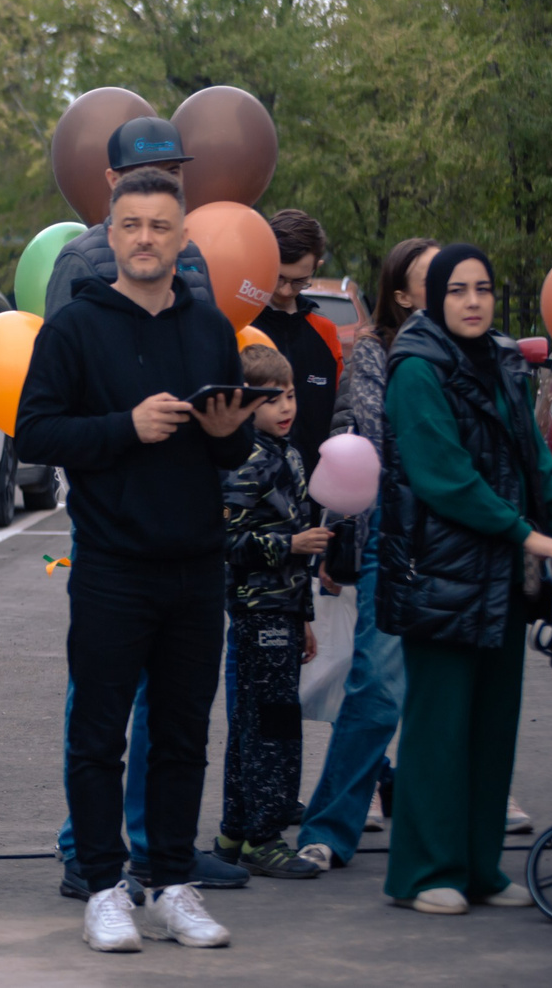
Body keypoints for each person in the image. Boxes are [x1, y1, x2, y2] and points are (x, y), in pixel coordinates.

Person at [14, 167, 254, 953]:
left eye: (160, 225)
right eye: (132, 224)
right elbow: (39, 433)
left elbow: (238, 448)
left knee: (186, 732)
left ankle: (173, 882)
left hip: (197, 561)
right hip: (113, 562)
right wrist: (126, 425)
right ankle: (102, 884)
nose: (146, 238)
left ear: (182, 237)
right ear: (110, 234)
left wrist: (226, 434)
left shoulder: (210, 327)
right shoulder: (76, 327)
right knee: (99, 733)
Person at [375, 243, 552, 914]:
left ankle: (481, 866)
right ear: (433, 297)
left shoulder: (504, 360)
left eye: (483, 287)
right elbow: (443, 475)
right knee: (439, 726)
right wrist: (527, 534)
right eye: (458, 289)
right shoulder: (417, 368)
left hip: (505, 580)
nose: (473, 301)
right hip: (442, 573)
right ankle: (425, 870)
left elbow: (535, 460)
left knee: (492, 723)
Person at [296, 236, 437, 871]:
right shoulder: (377, 354)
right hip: (397, 536)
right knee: (376, 686)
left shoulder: (484, 358)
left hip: (469, 544)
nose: (456, 290)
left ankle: (454, 829)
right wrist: (341, 537)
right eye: (437, 280)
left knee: (453, 689)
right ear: (401, 293)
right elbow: (353, 440)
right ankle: (328, 829)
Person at [214, 343, 327, 880]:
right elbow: (229, 542)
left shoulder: (292, 454)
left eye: (291, 395)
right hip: (257, 616)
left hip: (285, 612)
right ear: (246, 405)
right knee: (268, 726)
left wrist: (303, 615)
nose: (286, 407)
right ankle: (263, 835)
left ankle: (236, 831)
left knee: (265, 722)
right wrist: (290, 544)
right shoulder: (246, 460)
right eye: (272, 399)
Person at [40, 119, 215, 321]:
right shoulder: (79, 260)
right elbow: (60, 347)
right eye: (144, 173)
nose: (160, 183)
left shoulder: (192, 256)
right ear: (114, 180)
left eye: (172, 172)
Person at [252, 210, 344, 473]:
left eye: (298, 281)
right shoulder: (241, 326)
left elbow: (340, 413)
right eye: (279, 277)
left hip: (315, 487)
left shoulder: (325, 331)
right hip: (251, 490)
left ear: (317, 267)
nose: (284, 290)